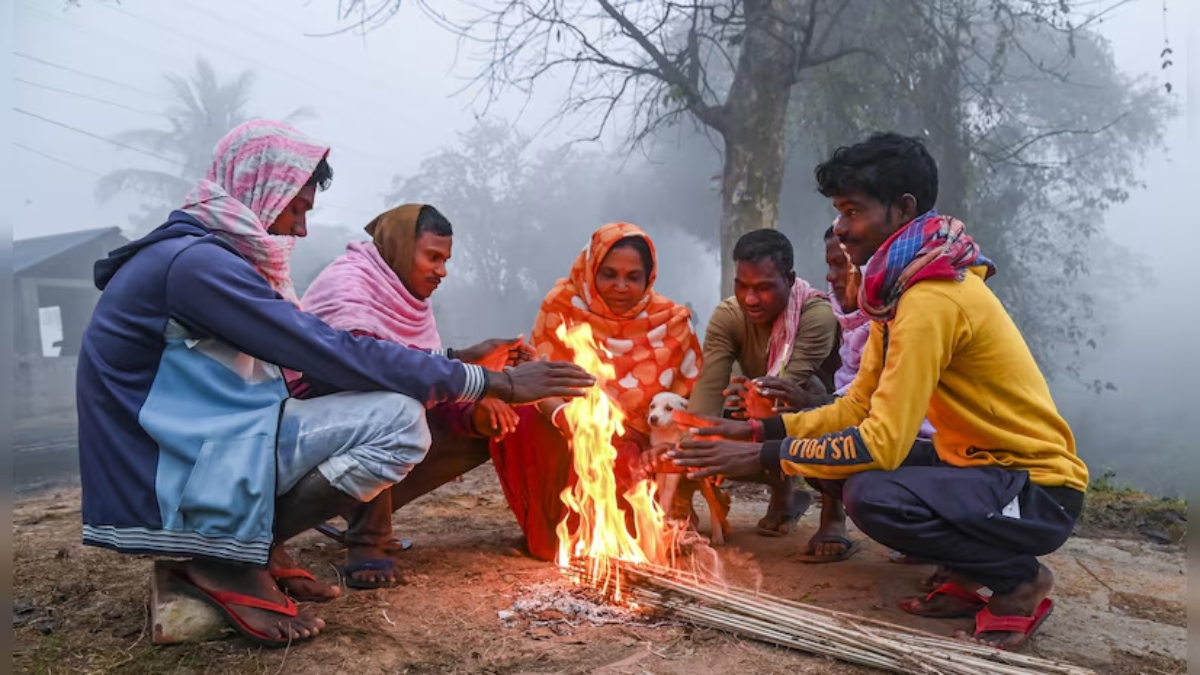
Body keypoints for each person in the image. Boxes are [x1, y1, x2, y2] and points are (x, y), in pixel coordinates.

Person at [76, 120, 594, 649]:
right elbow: (332, 353)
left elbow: (332, 361)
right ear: (261, 191)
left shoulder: (208, 257)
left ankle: (251, 546)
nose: (300, 231)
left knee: (405, 406)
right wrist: (494, 382)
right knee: (397, 419)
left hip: (211, 435)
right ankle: (224, 562)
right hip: (165, 462)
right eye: (297, 208)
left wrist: (461, 365)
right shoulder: (196, 265)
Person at [668, 132, 1088, 651]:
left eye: (851, 210)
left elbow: (881, 441)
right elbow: (855, 405)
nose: (840, 227)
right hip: (980, 468)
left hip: (1037, 491)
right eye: (838, 212)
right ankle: (967, 573)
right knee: (864, 473)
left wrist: (763, 454)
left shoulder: (932, 299)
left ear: (902, 208)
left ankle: (1018, 580)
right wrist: (758, 427)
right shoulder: (901, 290)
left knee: (873, 494)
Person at [283, 203, 530, 591]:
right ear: (398, 246)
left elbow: (414, 364)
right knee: (391, 399)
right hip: (309, 423)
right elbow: (370, 368)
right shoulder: (348, 282)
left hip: (379, 412)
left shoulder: (406, 296)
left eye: (445, 260)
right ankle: (368, 539)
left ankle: (352, 501)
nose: (441, 271)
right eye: (432, 257)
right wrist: (473, 375)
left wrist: (474, 374)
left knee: (485, 421)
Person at [490, 222, 702, 561]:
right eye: (609, 274)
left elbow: (692, 404)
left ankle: (644, 523)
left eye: (632, 277)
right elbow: (538, 381)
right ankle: (553, 535)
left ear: (649, 278)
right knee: (521, 416)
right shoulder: (561, 306)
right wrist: (566, 418)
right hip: (568, 428)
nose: (620, 287)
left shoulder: (671, 321)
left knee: (632, 491)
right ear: (591, 270)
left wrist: (659, 449)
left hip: (642, 443)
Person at [686, 229, 839, 537]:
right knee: (699, 434)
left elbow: (782, 391)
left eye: (763, 287)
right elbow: (709, 387)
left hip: (823, 414)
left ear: (790, 278)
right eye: (742, 286)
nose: (750, 299)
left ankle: (834, 517)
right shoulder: (728, 315)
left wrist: (753, 405)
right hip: (758, 407)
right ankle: (784, 496)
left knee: (802, 398)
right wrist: (695, 439)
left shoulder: (817, 315)